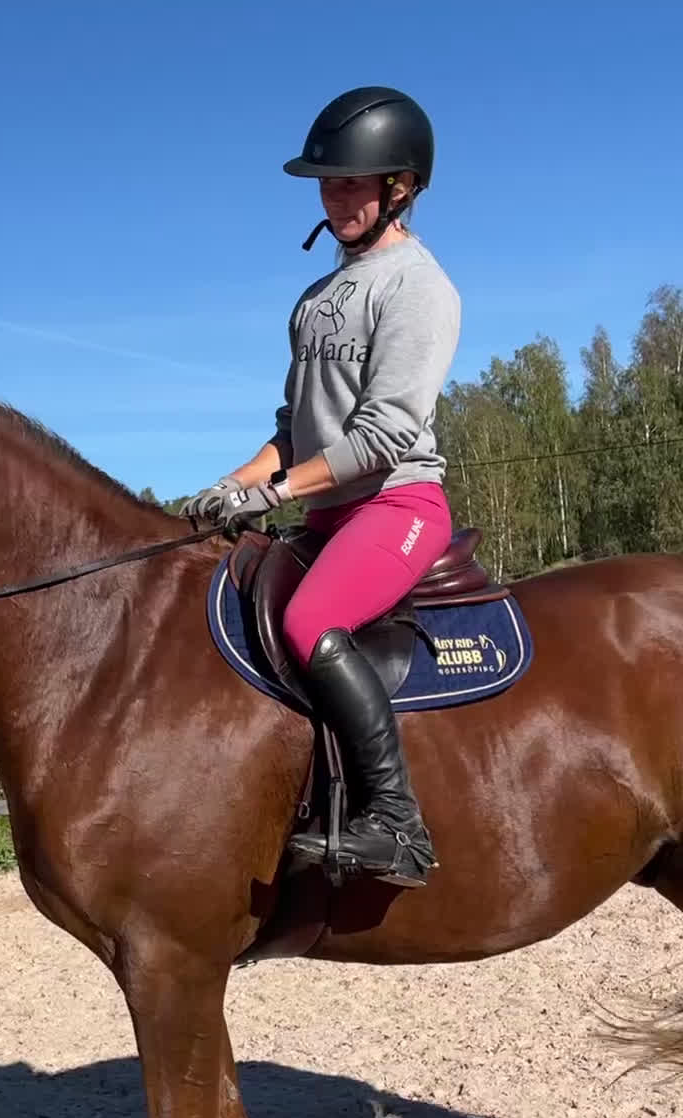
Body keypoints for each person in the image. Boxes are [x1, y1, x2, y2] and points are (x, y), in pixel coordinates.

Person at [184, 86, 460, 886]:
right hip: (330, 510)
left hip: (395, 504)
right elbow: (294, 426)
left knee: (309, 620)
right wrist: (230, 486)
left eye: (351, 182)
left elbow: (381, 438)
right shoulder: (317, 300)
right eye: (327, 183)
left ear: (399, 188)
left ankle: (399, 827)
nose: (335, 197)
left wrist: (271, 497)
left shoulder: (417, 287)